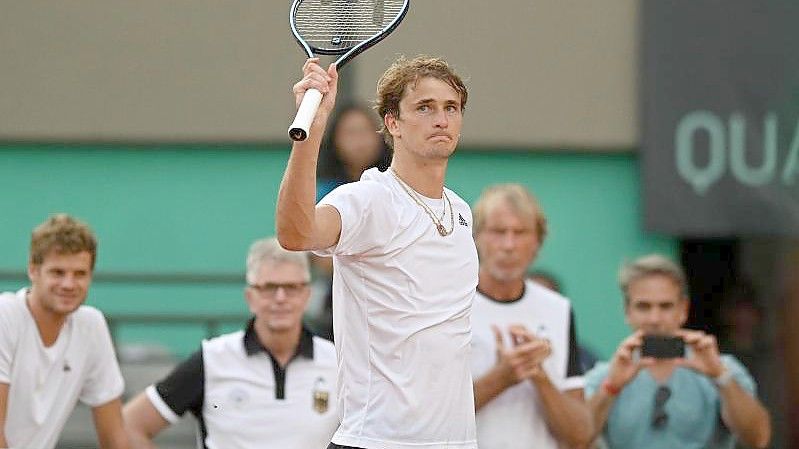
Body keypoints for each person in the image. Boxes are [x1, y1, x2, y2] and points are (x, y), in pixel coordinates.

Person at [277, 55, 478, 449]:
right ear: (392, 123)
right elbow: (296, 234)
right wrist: (313, 132)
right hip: (376, 441)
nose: (441, 119)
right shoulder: (368, 199)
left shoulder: (461, 211)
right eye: (424, 107)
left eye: (450, 108)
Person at [122, 237, 339, 449]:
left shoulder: (338, 362)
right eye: (269, 288)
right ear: (250, 297)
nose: (280, 298)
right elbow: (128, 426)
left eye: (291, 287)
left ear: (306, 295)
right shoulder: (213, 358)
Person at [585, 254, 771, 449]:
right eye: (643, 307)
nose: (654, 319)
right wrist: (611, 388)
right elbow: (576, 440)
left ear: (683, 309)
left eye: (665, 306)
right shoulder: (605, 377)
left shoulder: (721, 368)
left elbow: (758, 438)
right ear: (627, 311)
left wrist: (720, 377)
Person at [469, 184, 593, 449]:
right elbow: (425, 417)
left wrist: (538, 375)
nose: (509, 245)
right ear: (477, 237)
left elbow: (580, 435)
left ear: (537, 242)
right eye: (498, 232)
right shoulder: (447, 304)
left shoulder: (558, 309)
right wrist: (501, 377)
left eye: (520, 232)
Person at [0, 214, 128, 449]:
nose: (69, 284)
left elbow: (115, 438)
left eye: (80, 274)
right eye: (57, 272)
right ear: (33, 270)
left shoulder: (91, 326)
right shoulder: (4, 316)